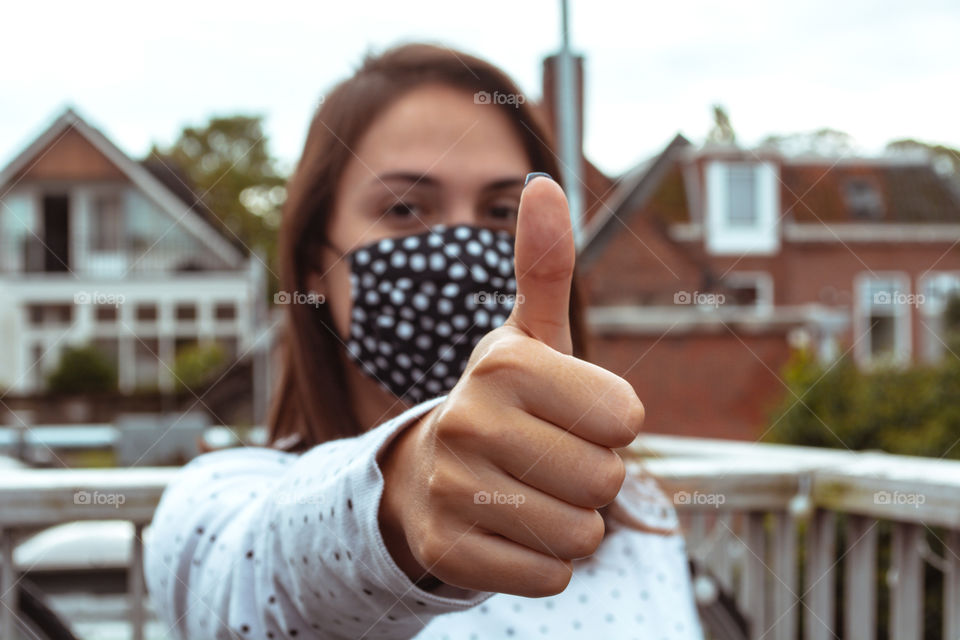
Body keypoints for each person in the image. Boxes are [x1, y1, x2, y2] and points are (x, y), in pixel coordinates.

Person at [145, 42, 703, 640]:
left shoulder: (637, 513)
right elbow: (262, 580)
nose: (459, 247)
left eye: (498, 209)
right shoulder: (215, 503)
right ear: (315, 270)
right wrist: (397, 501)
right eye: (406, 208)